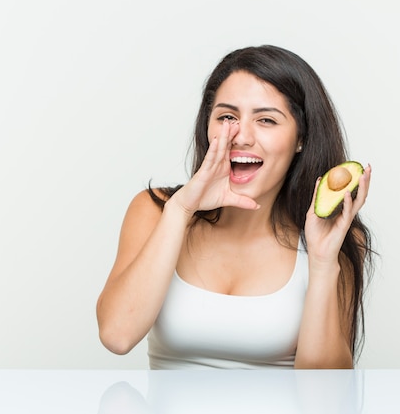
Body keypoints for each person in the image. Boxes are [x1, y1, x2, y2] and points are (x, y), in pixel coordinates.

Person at [96, 44, 374, 369]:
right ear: (208, 127)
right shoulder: (156, 210)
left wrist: (324, 264)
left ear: (301, 138)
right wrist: (181, 210)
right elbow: (117, 335)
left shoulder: (336, 236)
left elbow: (325, 397)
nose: (241, 136)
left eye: (267, 120)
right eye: (227, 117)